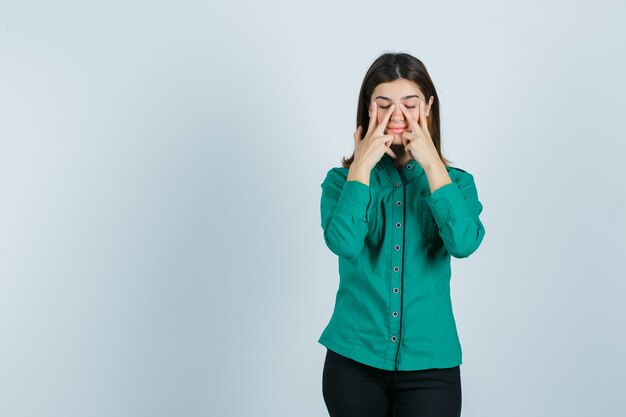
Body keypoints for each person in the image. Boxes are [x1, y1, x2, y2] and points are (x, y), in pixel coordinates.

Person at [318, 52, 486, 417]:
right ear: (367, 108)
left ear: (428, 107)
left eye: (410, 104)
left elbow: (465, 243)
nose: (397, 116)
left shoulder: (457, 184)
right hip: (353, 361)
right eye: (383, 103)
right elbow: (343, 243)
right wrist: (360, 164)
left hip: (431, 366)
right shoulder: (339, 182)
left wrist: (431, 165)